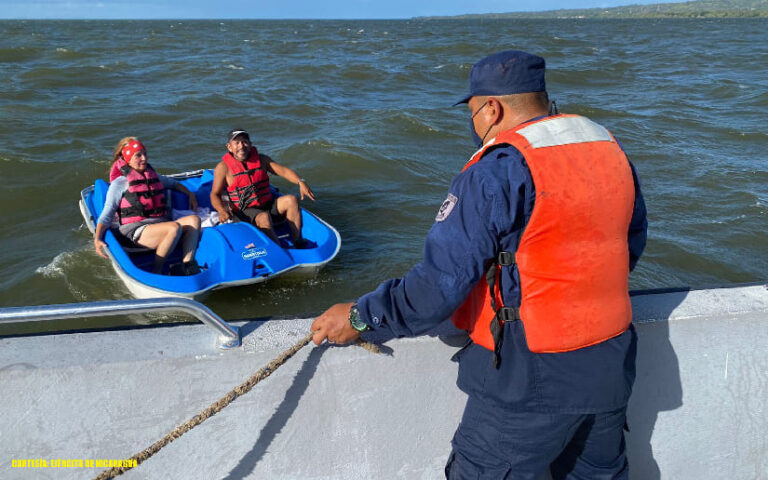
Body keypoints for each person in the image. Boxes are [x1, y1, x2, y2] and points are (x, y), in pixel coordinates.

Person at [311, 50, 648, 479]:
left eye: (472, 112)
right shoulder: (607, 148)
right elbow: (629, 244)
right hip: (610, 365)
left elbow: (437, 287)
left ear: (493, 109)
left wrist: (362, 316)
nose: (473, 124)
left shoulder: (498, 169)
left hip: (529, 382)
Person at [94, 137, 202, 275]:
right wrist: (97, 239)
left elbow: (172, 183)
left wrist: (190, 195)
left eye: (145, 153)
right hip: (134, 234)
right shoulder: (119, 183)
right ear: (128, 158)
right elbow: (107, 214)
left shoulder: (152, 176)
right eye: (138, 155)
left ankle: (186, 266)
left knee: (194, 220)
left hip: (159, 227)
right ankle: (157, 270)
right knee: (173, 228)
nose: (144, 158)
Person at [210, 128, 315, 247]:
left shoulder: (262, 159)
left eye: (244, 142)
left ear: (250, 145)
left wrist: (300, 181)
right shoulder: (223, 168)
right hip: (245, 212)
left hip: (267, 204)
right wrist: (221, 211)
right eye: (237, 143)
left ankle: (298, 241)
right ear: (229, 147)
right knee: (264, 217)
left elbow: (283, 172)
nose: (241, 146)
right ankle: (278, 251)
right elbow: (215, 194)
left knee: (291, 200)